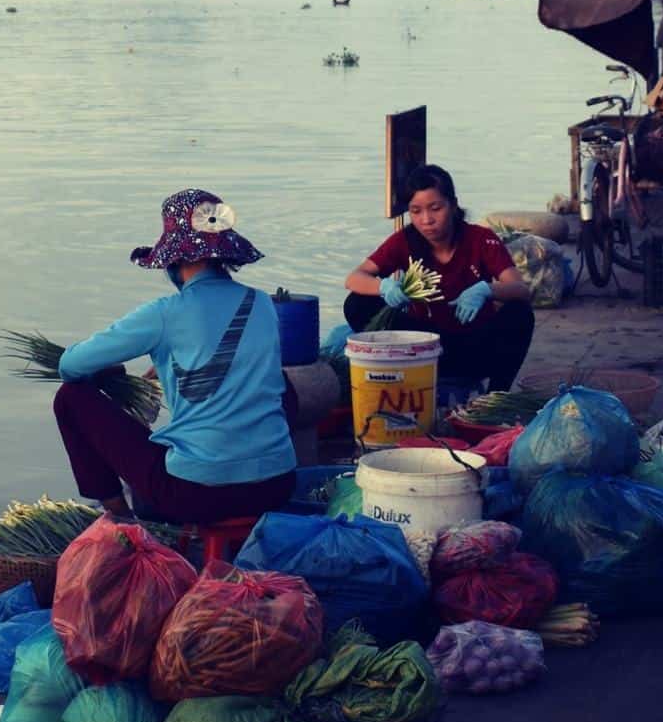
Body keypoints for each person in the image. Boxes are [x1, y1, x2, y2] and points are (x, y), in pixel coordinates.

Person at [54, 188, 296, 523]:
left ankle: (122, 520)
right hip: (277, 485)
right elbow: (232, 353)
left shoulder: (166, 312)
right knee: (274, 379)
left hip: (197, 495)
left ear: (176, 259)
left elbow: (69, 366)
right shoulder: (263, 304)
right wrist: (169, 359)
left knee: (70, 398)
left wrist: (111, 367)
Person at [343, 164, 535, 392]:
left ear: (453, 205)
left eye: (435, 208)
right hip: (422, 347)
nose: (426, 220)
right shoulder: (404, 241)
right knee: (357, 303)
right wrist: (384, 286)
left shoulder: (480, 239)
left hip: (472, 345)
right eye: (416, 211)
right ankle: (395, 370)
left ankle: (495, 397)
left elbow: (521, 289)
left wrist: (486, 289)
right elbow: (354, 277)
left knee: (519, 314)